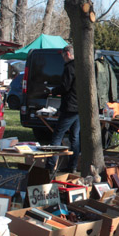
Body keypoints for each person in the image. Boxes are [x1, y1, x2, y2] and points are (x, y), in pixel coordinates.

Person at [45, 45, 80, 174]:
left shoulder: (70, 67)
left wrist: (53, 91)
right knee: (75, 137)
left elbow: (65, 86)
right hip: (79, 106)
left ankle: (50, 165)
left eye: (63, 56)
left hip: (70, 106)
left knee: (57, 135)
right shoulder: (81, 66)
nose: (63, 58)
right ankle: (73, 165)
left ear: (68, 54)